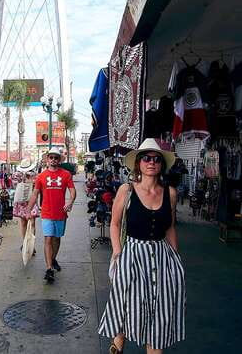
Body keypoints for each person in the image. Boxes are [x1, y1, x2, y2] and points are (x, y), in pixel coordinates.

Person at [98, 138, 186, 354]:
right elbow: (115, 223)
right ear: (138, 163)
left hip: (162, 257)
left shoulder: (170, 193)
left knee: (160, 311)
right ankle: (117, 344)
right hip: (132, 253)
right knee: (126, 306)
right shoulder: (126, 191)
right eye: (146, 158)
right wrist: (118, 253)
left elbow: (170, 227)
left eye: (156, 159)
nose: (151, 162)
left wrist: (177, 259)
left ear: (161, 165)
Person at [25, 147, 76, 283]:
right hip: (46, 213)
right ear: (47, 159)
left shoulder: (66, 175)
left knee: (57, 239)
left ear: (59, 160)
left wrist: (70, 202)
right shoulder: (41, 176)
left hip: (61, 213)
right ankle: (49, 269)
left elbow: (72, 191)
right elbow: (35, 194)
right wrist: (28, 210)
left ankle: (53, 259)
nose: (53, 160)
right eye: (51, 157)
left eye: (56, 158)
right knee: (48, 239)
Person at [12, 162, 39, 249]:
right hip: (24, 201)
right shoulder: (18, 175)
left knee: (28, 223)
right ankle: (26, 243)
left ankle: (30, 244)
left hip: (28, 201)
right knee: (29, 223)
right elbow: (14, 184)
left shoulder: (33, 175)